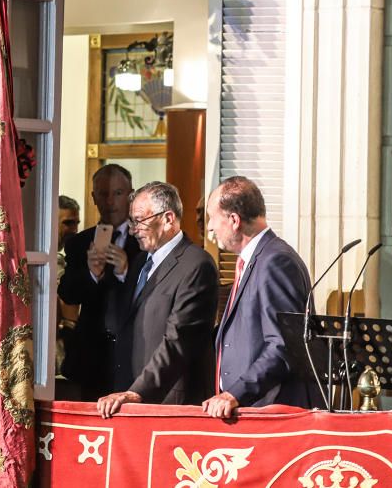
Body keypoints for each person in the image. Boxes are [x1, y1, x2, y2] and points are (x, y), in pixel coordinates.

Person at [96, 182, 218, 417]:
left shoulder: (196, 264)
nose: (133, 230)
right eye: (131, 221)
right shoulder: (141, 262)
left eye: (139, 220)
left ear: (168, 218)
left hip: (169, 402)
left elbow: (179, 340)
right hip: (127, 399)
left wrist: (137, 393)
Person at [202, 176, 319, 418]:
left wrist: (235, 393)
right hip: (253, 408)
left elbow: (282, 345)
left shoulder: (276, 261)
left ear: (234, 220)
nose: (209, 227)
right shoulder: (256, 259)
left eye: (212, 218)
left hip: (272, 408)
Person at [57, 164, 147, 401]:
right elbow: (67, 292)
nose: (110, 201)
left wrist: (125, 272)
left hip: (135, 354)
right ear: (94, 197)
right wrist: (91, 273)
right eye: (104, 194)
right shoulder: (79, 242)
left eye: (118, 193)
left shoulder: (145, 242)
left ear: (131, 196)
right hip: (90, 358)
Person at [55, 195, 81, 377]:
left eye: (76, 223)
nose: (74, 230)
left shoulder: (64, 261)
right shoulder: (47, 264)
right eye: (68, 223)